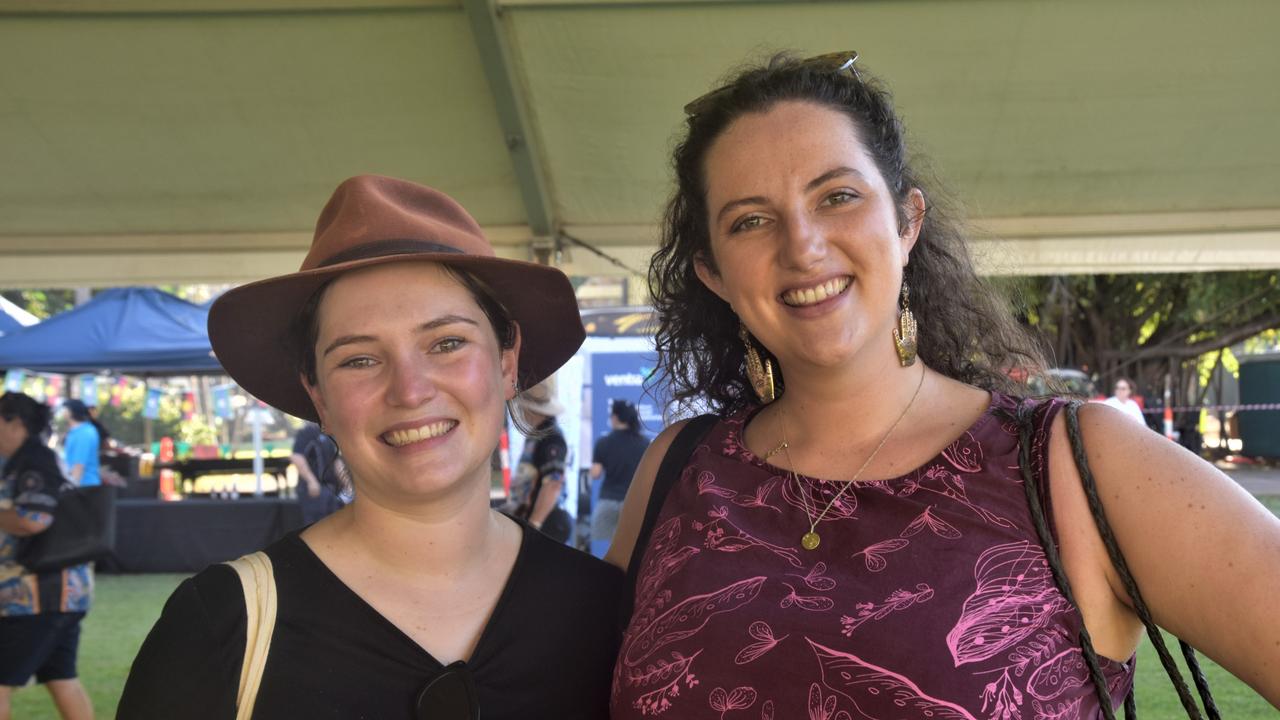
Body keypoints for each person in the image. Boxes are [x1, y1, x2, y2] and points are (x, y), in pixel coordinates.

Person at [607, 53, 1280, 718]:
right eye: (750, 220)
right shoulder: (678, 469)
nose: (803, 245)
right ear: (714, 275)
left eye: (837, 196)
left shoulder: (1072, 463)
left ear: (906, 224)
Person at [118, 175, 622, 719]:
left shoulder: (606, 610)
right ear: (319, 396)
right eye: (359, 359)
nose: (410, 390)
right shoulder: (223, 626)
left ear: (506, 361)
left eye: (447, 343)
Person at [0, 392, 94, 720]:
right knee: (61, 678)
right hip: (61, 594)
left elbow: (33, 519)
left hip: (38, 597)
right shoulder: (23, 460)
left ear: (15, 423)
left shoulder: (34, 460)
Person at [509, 381, 573, 543]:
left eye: (521, 407)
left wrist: (534, 525)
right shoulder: (538, 435)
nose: (520, 411)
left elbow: (553, 484)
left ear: (531, 409)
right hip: (535, 520)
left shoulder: (551, 438)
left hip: (546, 524)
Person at [588, 400, 649, 556]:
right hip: (634, 504)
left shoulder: (603, 442)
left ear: (615, 417)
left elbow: (596, 474)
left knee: (603, 550)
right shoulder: (645, 443)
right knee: (632, 550)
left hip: (608, 502)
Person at [288, 421, 347, 523]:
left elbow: (336, 461)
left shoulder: (330, 434)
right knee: (316, 525)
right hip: (315, 488)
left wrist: (346, 483)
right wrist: (311, 481)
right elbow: (297, 457)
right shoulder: (306, 433)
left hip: (332, 489)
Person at [60, 400, 100, 488]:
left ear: (71, 411)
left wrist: (71, 488)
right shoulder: (74, 432)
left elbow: (79, 465)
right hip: (78, 485)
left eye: (65, 409)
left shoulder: (84, 433)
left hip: (85, 487)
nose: (62, 412)